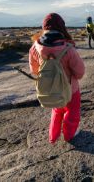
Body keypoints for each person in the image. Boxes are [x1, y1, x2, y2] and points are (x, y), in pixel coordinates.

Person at [29, 13, 85, 143]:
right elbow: (80, 73)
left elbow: (34, 70)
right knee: (72, 112)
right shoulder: (67, 49)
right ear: (62, 28)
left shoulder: (35, 48)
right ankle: (69, 135)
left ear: (44, 27)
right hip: (70, 89)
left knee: (57, 110)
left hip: (49, 89)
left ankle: (53, 136)